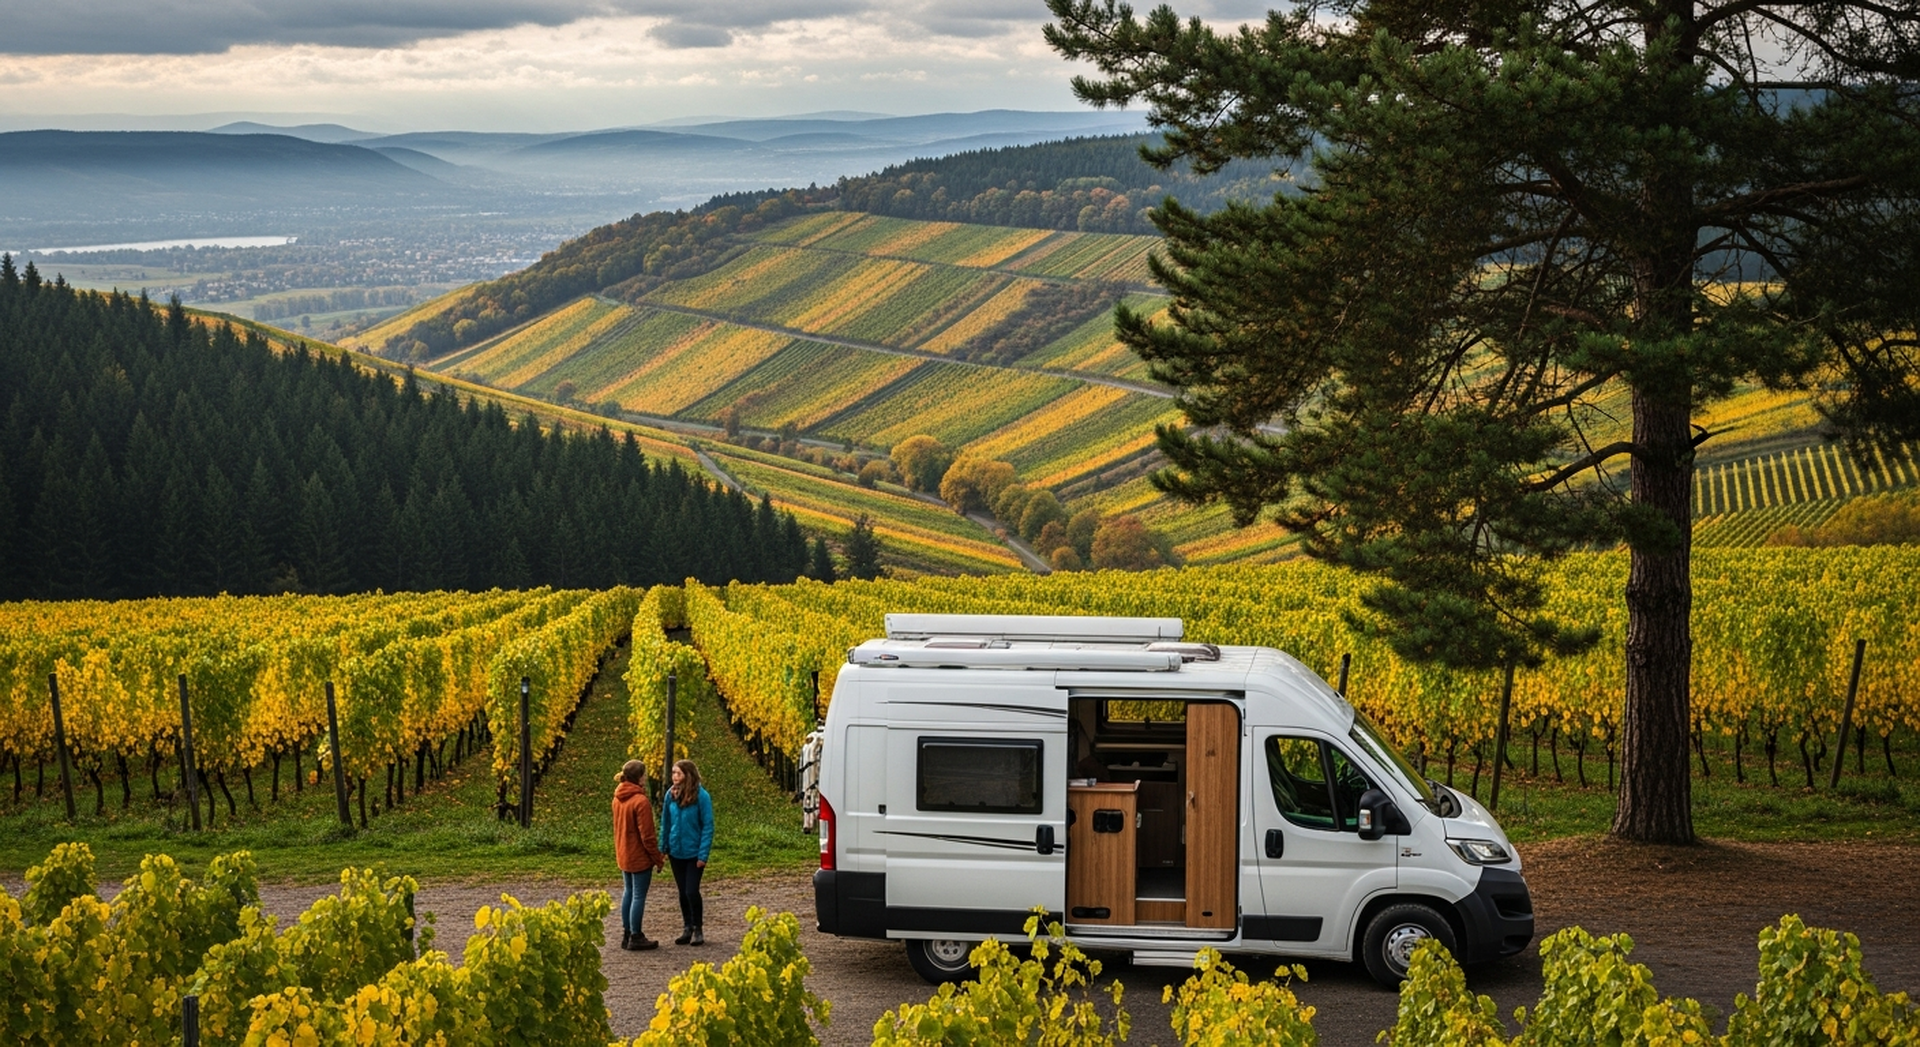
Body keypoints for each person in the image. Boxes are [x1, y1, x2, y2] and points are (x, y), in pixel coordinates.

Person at [611, 759, 665, 950]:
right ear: (639, 777)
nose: (647, 776)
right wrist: (657, 859)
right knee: (639, 895)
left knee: (629, 892)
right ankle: (636, 935)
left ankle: (627, 933)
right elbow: (648, 836)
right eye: (645, 773)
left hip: (624, 852)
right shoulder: (640, 802)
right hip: (639, 856)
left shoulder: (617, 797)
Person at [660, 758, 713, 945]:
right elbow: (665, 822)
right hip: (676, 851)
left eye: (678, 773)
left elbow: (707, 826)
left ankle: (698, 928)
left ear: (687, 775)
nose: (674, 776)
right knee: (682, 891)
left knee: (692, 891)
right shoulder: (670, 795)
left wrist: (703, 854)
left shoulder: (701, 796)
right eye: (673, 773)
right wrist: (663, 847)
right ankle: (687, 927)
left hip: (694, 852)